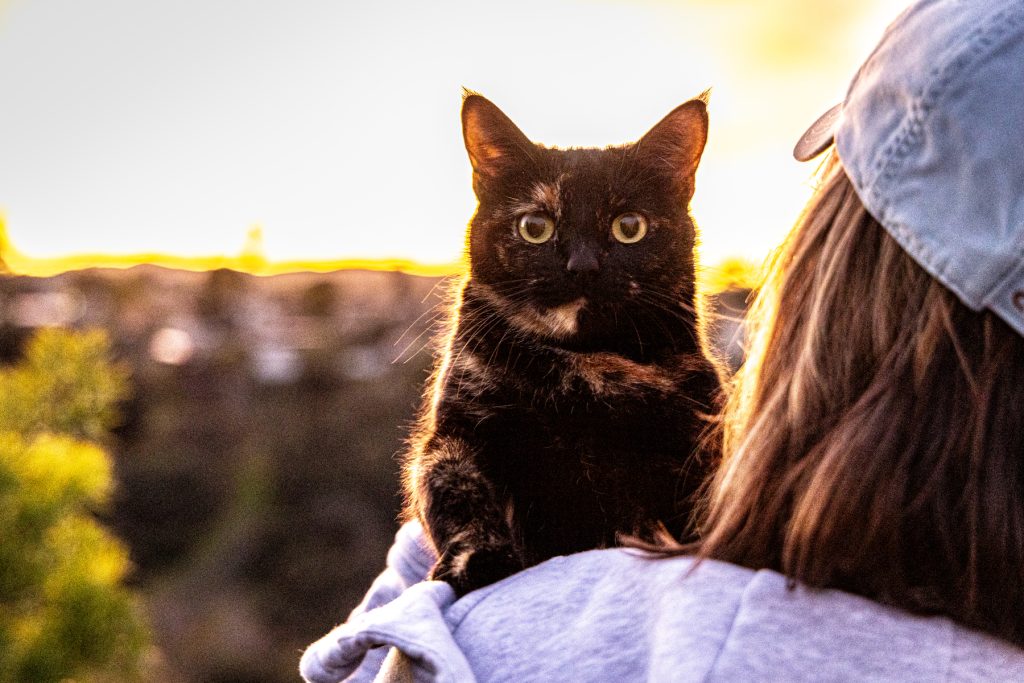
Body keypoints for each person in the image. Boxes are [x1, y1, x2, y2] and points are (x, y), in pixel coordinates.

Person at [301, 0, 1024, 680]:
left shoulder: (491, 644)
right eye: (539, 229)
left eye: (625, 229)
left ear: (835, 269)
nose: (583, 265)